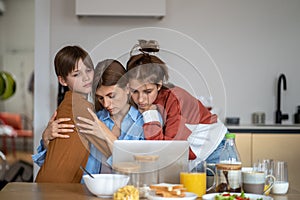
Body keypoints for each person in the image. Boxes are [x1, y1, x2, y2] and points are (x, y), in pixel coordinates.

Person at [33, 59, 146, 177]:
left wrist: (105, 134)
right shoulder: (91, 118)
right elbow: (61, 164)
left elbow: (138, 170)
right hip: (85, 192)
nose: (106, 104)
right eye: (100, 98)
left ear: (127, 88)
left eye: (111, 96)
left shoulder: (143, 124)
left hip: (124, 193)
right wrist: (46, 140)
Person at [126, 40, 228, 169]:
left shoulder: (175, 100)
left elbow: (166, 150)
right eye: (135, 91)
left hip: (215, 150)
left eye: (147, 91)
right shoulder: (140, 100)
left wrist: (149, 114)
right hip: (191, 156)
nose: (141, 99)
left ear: (159, 85)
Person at [34, 45, 95, 183]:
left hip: (56, 185)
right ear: (62, 80)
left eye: (89, 70)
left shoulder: (68, 105)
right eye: (76, 74)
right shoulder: (80, 107)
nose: (86, 78)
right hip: (56, 187)